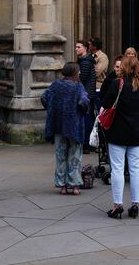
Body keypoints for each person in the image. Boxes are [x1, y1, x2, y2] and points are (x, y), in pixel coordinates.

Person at [101, 55, 139, 219]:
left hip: (118, 131)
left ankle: (117, 205)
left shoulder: (117, 84)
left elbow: (106, 103)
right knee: (136, 169)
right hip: (137, 130)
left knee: (117, 169)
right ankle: (135, 204)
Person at [41, 62, 89, 195]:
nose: (79, 73)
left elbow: (44, 97)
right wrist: (83, 111)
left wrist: (53, 109)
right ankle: (74, 186)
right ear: (74, 72)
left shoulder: (55, 85)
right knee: (75, 156)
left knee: (60, 156)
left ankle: (62, 185)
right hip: (74, 125)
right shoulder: (78, 86)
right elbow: (84, 102)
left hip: (58, 125)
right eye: (78, 71)